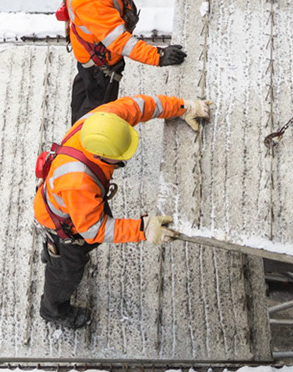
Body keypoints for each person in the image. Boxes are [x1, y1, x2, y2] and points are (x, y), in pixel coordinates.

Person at [33, 94, 212, 330]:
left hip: (67, 203)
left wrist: (181, 106)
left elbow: (141, 106)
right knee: (67, 271)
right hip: (63, 224)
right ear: (100, 156)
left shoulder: (101, 121)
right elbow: (94, 230)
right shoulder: (79, 182)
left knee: (79, 244)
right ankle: (53, 309)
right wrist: (143, 228)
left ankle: (52, 253)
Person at [61, 0, 199, 123]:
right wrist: (158, 56)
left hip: (92, 56)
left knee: (85, 89)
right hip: (101, 64)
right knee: (100, 115)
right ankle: (90, 147)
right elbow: (119, 41)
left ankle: (77, 129)